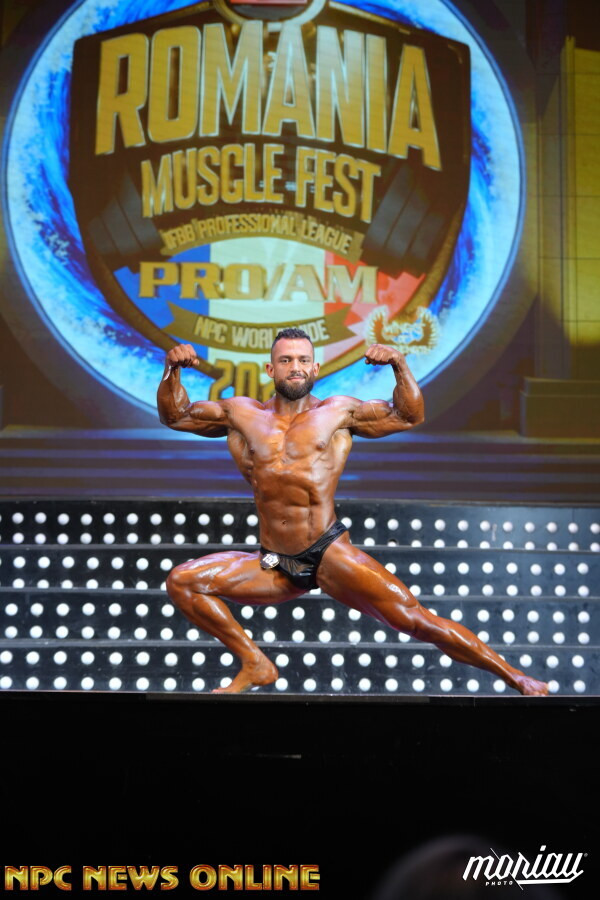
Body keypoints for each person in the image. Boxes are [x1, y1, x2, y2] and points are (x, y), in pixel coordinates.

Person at [157, 327, 548, 696]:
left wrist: (399, 365)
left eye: (303, 360)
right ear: (270, 369)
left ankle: (517, 678)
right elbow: (175, 415)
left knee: (416, 621)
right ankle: (255, 663)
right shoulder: (240, 414)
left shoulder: (338, 412)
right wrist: (172, 370)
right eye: (286, 360)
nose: (295, 367)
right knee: (182, 582)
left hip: (327, 552)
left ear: (315, 368)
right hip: (274, 561)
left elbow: (409, 415)